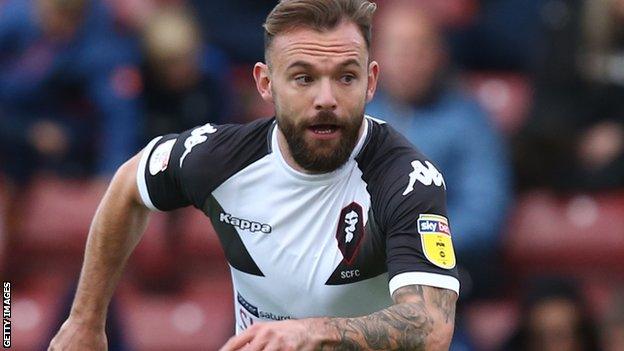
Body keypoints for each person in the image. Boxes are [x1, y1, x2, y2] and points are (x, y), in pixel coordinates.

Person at [48, 1, 459, 350]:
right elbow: (126, 187)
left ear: (370, 82)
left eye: (345, 77)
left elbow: (432, 324)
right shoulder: (221, 159)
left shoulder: (405, 180)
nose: (327, 99)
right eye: (304, 78)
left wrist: (314, 331)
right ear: (265, 83)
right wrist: (85, 320)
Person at [366, 2, 511, 300]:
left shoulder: (467, 120)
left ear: (439, 54)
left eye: (419, 48)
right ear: (375, 57)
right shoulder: (356, 114)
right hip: (357, 271)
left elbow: (483, 213)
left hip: (438, 275)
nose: (409, 60)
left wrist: (410, 243)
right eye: (398, 49)